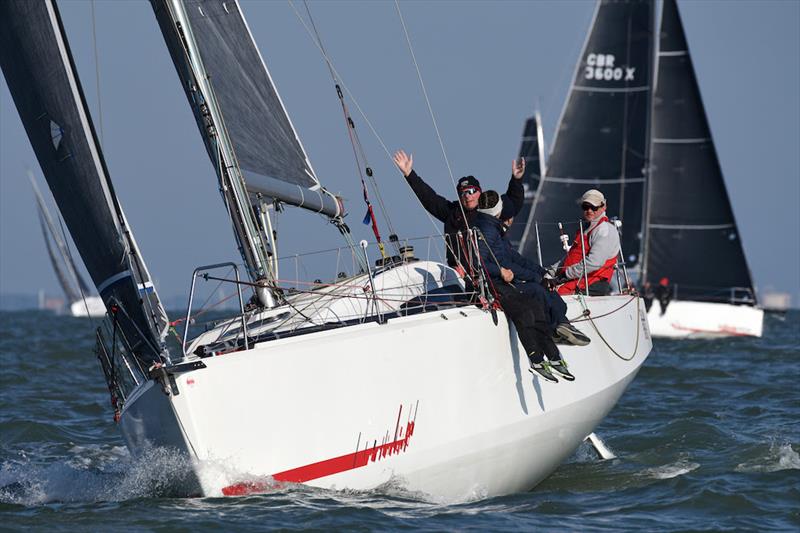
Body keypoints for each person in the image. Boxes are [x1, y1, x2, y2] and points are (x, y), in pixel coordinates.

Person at [473, 191, 578, 383]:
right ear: (498, 210)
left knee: (537, 305)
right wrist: (500, 270)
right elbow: (478, 261)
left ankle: (554, 358)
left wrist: (539, 273)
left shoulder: (492, 228)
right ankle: (537, 360)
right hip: (497, 286)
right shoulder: (487, 229)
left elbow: (512, 258)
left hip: (504, 283)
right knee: (528, 311)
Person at [392, 149, 524, 269]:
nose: (468, 196)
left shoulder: (491, 209)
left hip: (493, 271)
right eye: (464, 192)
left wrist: (516, 180)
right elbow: (429, 199)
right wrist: (409, 173)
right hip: (459, 273)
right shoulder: (452, 213)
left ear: (480, 192)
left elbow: (514, 203)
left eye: (472, 191)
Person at [550, 189, 620, 296]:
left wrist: (564, 275)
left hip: (591, 282)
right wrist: (550, 272)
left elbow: (594, 262)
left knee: (550, 296)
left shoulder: (604, 230)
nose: (589, 210)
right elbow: (571, 256)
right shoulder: (585, 229)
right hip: (574, 278)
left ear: (603, 207)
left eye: (594, 207)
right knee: (541, 290)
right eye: (585, 207)